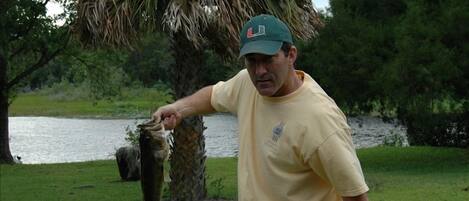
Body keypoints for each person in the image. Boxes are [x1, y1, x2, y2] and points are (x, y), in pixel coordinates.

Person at [153, 14, 369, 201]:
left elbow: (355, 194)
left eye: (268, 59)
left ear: (291, 55)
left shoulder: (319, 118)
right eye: (252, 61)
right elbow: (214, 95)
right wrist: (179, 109)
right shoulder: (247, 83)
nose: (259, 71)